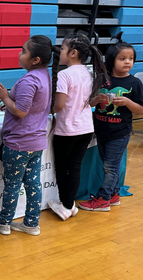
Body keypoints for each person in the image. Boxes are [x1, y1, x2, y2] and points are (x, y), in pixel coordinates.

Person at [0, 35, 58, 236]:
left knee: (11, 185)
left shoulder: (30, 80)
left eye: (23, 51)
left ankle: (4, 223)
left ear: (35, 59)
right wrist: (8, 103)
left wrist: (5, 98)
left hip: (19, 142)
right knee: (33, 184)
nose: (20, 54)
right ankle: (31, 223)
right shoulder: (44, 75)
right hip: (36, 142)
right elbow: (29, 105)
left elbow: (20, 111)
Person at [48, 33, 108, 221]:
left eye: (63, 49)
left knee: (62, 167)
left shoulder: (65, 74)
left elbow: (59, 105)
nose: (61, 52)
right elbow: (87, 102)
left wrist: (45, 110)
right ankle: (69, 204)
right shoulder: (87, 72)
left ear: (73, 53)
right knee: (74, 168)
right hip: (85, 128)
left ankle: (66, 205)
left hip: (68, 129)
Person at [79, 39, 143, 211]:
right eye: (122, 58)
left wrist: (128, 103)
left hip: (120, 133)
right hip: (101, 130)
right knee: (106, 164)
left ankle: (103, 199)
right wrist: (97, 99)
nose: (127, 62)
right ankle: (114, 194)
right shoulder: (102, 80)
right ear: (111, 60)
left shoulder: (135, 83)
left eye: (130, 58)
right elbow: (89, 103)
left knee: (110, 166)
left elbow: (140, 110)